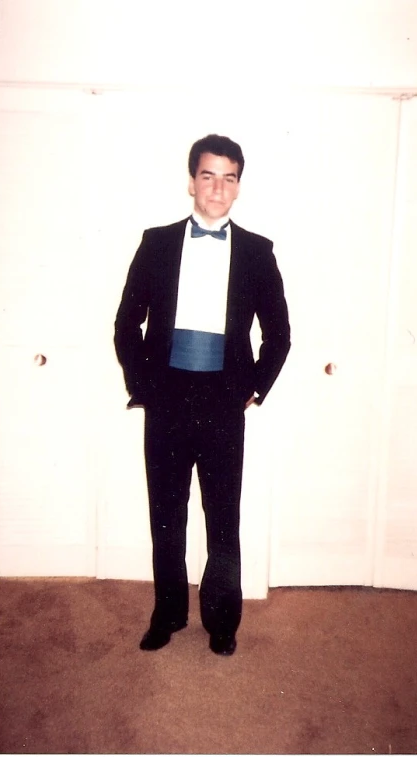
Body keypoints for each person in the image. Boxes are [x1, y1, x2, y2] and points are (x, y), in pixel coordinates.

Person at [114, 134, 290, 656]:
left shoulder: (258, 253)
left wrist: (252, 388)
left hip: (222, 400)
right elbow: (127, 322)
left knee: (222, 514)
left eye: (229, 177)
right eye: (208, 175)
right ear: (192, 181)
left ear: (239, 186)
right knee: (166, 514)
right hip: (167, 395)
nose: (217, 187)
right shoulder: (157, 243)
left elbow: (279, 334)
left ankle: (221, 621)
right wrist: (142, 384)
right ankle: (167, 613)